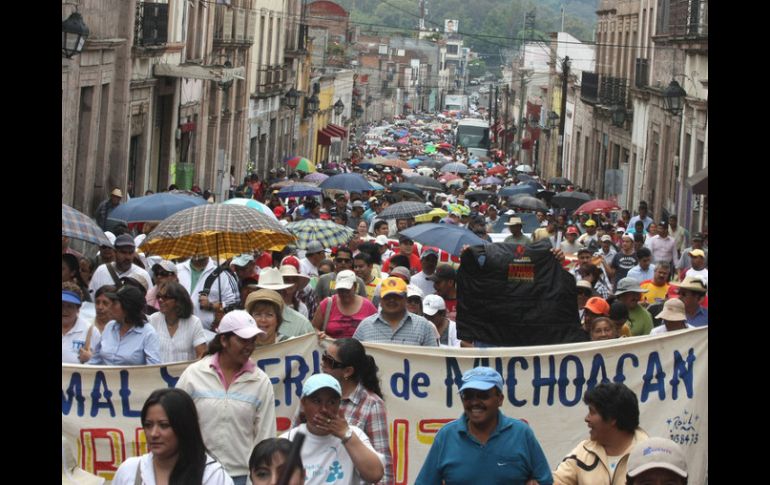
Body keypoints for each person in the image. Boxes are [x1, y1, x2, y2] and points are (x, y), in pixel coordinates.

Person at [176, 310, 277, 485]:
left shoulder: (261, 382)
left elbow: (265, 436)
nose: (249, 346)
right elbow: (176, 422)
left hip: (240, 476)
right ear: (223, 340)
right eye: (243, 340)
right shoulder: (194, 374)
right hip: (197, 474)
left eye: (252, 341)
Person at [415, 367, 553, 484]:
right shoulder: (446, 436)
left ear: (499, 399)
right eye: (467, 395)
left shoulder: (521, 433)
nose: (474, 402)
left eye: (483, 395)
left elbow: (544, 480)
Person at [112, 388, 233, 485]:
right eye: (148, 425)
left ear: (183, 427)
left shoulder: (212, 475)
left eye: (164, 425)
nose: (154, 434)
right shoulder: (130, 470)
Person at [281, 374, 385, 485]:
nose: (324, 409)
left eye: (331, 402)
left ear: (339, 404)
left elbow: (375, 475)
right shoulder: (287, 440)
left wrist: (346, 435)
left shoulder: (354, 434)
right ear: (304, 403)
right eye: (317, 401)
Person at [320, 338, 394, 484]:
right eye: (323, 357)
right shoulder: (312, 395)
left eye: (329, 361)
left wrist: (346, 434)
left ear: (347, 371)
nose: (323, 364)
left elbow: (383, 467)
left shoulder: (371, 405)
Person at [552, 382, 648, 485]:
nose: (586, 419)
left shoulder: (649, 454)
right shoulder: (582, 452)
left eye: (592, 412)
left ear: (612, 418)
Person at [354, 276, 439, 346]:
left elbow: (433, 359)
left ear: (405, 298)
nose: (392, 300)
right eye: (387, 296)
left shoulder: (423, 325)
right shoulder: (365, 326)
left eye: (396, 296)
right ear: (380, 300)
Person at [87, 285, 160, 365]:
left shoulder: (148, 333)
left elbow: (154, 370)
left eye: (115, 303)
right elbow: (95, 361)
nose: (110, 306)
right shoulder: (110, 326)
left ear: (127, 307)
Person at [148, 280, 207, 362]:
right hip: (157, 373)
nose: (160, 300)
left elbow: (202, 356)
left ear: (179, 300)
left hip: (186, 374)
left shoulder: (194, 322)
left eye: (165, 297)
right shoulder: (153, 319)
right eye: (159, 296)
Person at [312, 270, 377, 339]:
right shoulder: (327, 304)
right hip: (331, 347)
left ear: (354, 286)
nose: (344, 293)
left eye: (347, 290)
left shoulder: (367, 306)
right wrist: (320, 334)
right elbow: (313, 328)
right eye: (341, 290)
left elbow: (377, 329)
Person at [88, 234, 153, 301]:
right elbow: (92, 299)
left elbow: (149, 303)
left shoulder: (143, 274)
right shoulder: (101, 271)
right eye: (123, 252)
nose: (127, 257)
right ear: (115, 252)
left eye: (130, 253)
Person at [62, 284, 101, 364]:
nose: (64, 310)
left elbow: (101, 363)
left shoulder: (91, 331)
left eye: (70, 306)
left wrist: (90, 358)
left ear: (78, 309)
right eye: (62, 305)